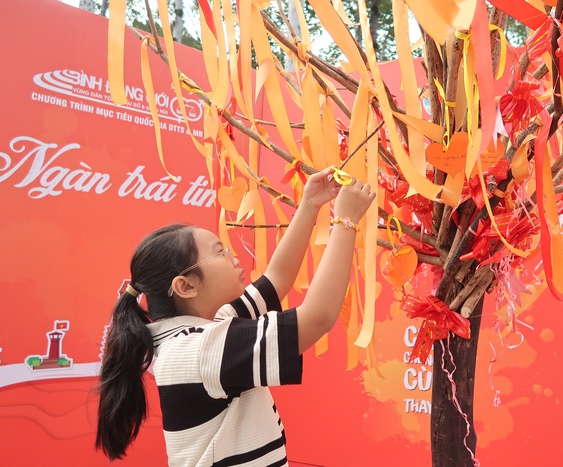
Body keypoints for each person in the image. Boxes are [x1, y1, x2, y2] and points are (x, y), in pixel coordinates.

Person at [95, 167, 376, 466]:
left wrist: (310, 204)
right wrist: (346, 221)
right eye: (221, 253)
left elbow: (277, 278)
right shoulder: (201, 350)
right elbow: (318, 317)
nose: (235, 259)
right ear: (186, 286)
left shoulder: (202, 332)